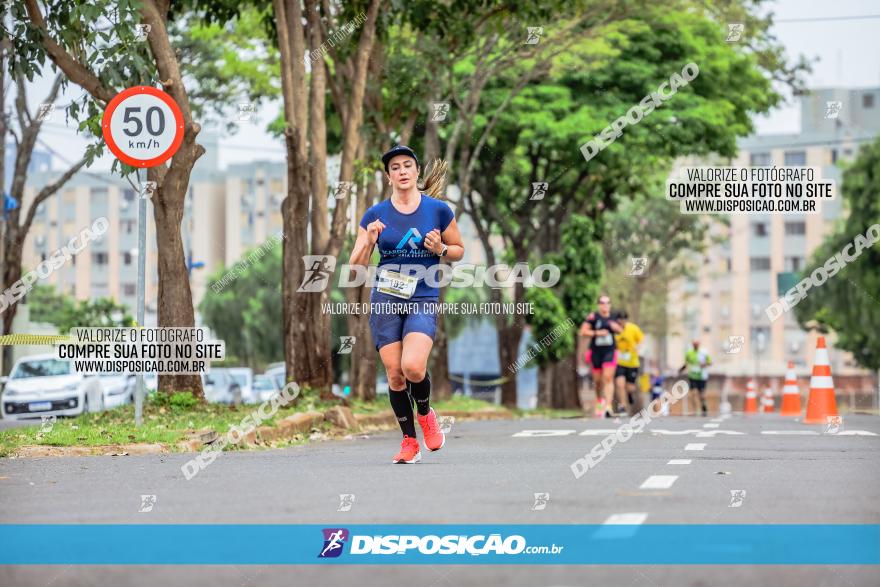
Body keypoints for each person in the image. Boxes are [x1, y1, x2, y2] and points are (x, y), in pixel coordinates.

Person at [349, 145, 464, 463]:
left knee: (413, 367)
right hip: (386, 299)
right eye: (395, 167)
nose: (402, 171)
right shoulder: (374, 216)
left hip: (423, 296)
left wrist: (441, 248)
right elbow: (355, 266)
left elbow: (458, 249)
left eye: (407, 165)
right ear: (388, 177)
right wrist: (369, 243)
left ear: (416, 172)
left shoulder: (438, 210)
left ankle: (426, 414)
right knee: (395, 375)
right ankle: (409, 441)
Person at [579, 294, 623, 418]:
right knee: (598, 381)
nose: (605, 305)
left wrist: (616, 328)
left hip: (610, 351)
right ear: (599, 305)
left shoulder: (614, 317)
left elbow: (621, 330)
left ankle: (608, 406)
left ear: (610, 305)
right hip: (596, 352)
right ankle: (599, 401)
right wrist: (597, 333)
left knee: (608, 378)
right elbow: (583, 331)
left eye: (607, 302)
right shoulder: (593, 317)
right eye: (602, 303)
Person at [614, 311, 644, 415]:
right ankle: (622, 406)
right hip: (619, 362)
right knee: (619, 384)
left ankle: (630, 395)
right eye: (619, 320)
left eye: (623, 320)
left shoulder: (633, 328)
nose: (621, 322)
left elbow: (641, 340)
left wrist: (638, 347)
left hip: (632, 363)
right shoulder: (614, 330)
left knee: (630, 387)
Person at [679, 339, 711, 416]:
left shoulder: (703, 353)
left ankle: (703, 406)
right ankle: (696, 410)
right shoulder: (689, 353)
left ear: (699, 345)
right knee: (693, 393)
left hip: (702, 376)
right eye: (694, 344)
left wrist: (704, 364)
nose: (695, 345)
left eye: (697, 344)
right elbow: (686, 363)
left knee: (701, 395)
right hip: (692, 376)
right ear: (692, 345)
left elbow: (710, 362)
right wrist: (681, 369)